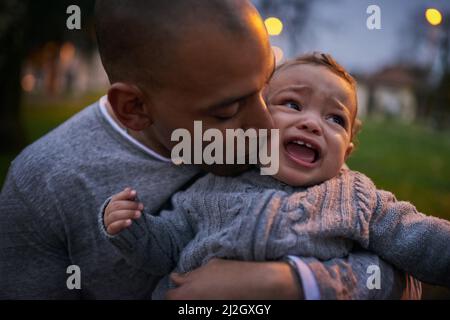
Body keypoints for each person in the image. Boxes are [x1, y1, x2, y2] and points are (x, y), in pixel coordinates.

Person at [0, 1, 419, 299]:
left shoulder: (284, 123)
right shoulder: (43, 186)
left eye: (265, 86)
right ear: (135, 108)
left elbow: (401, 271)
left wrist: (288, 283)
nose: (264, 124)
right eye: (229, 111)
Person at [101, 54, 434, 299]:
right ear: (255, 120)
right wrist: (133, 227)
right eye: (292, 104)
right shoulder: (217, 180)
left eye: (336, 119)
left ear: (346, 151)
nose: (312, 123)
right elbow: (168, 247)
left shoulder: (358, 198)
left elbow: (420, 238)